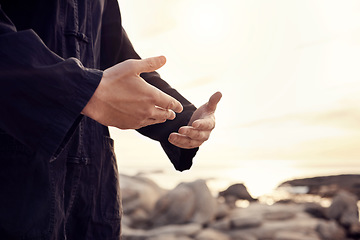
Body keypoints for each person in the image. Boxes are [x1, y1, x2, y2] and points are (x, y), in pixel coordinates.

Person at [0, 0, 221, 239]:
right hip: (18, 179)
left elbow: (118, 58)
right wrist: (81, 91)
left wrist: (184, 120)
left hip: (94, 187)